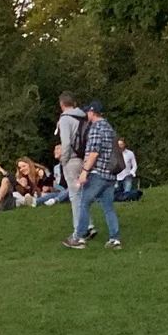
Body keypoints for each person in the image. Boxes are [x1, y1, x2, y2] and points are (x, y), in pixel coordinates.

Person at [65, 101, 125, 250]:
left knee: (83, 203)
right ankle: (114, 239)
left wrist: (84, 172)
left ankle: (78, 237)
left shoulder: (95, 129)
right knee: (108, 207)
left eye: (88, 112)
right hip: (111, 174)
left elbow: (94, 153)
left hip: (97, 173)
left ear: (92, 112)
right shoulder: (109, 128)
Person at [54, 92, 88, 232]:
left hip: (72, 159)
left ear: (62, 105)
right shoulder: (84, 117)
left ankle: (79, 230)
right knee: (82, 194)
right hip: (85, 159)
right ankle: (89, 225)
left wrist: (64, 159)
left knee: (75, 195)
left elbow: (66, 142)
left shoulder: (65, 119)